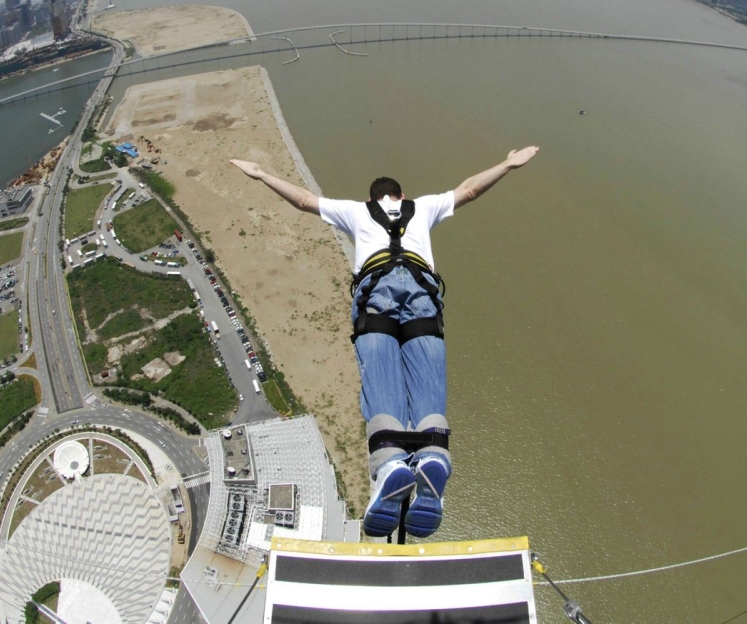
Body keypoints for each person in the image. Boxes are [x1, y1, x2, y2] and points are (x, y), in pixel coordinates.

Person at [230, 146, 539, 537]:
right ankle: (432, 456)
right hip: (422, 296)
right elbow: (470, 191)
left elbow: (304, 200)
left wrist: (260, 174)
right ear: (402, 196)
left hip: (376, 296)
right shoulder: (423, 208)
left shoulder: (356, 212)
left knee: (381, 378)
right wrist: (508, 165)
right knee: (428, 378)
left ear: (372, 198)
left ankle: (391, 463)